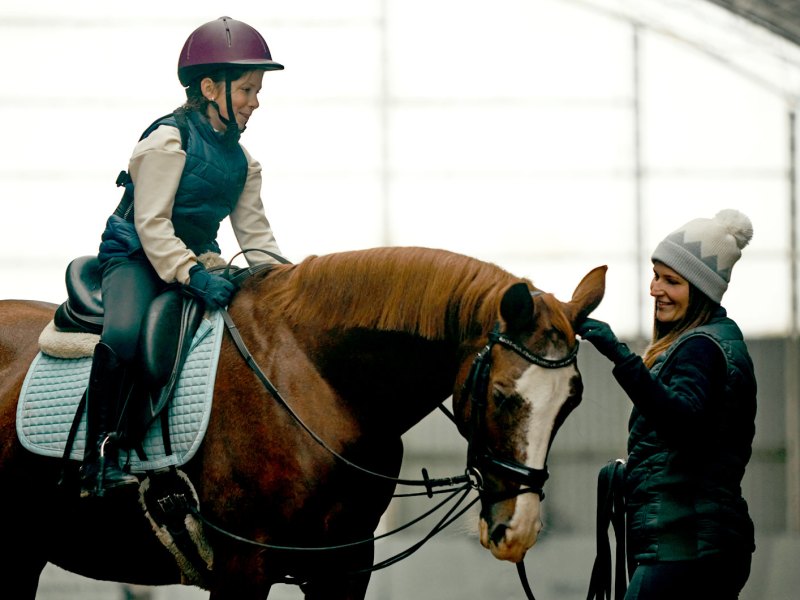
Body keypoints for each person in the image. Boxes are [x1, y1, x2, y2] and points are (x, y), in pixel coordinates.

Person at [79, 16, 285, 498]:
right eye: (247, 91)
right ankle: (99, 455)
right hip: (134, 257)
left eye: (258, 91)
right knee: (127, 332)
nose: (256, 102)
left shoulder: (243, 163)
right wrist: (191, 272)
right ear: (211, 87)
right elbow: (152, 226)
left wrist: (284, 283)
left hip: (195, 264)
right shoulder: (167, 141)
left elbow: (255, 235)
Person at [578, 209, 757, 599]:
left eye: (671, 281)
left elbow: (682, 424)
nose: (655, 289)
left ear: (702, 292)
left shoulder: (700, 348)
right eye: (656, 275)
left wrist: (618, 355)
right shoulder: (711, 342)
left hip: (685, 546)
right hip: (701, 544)